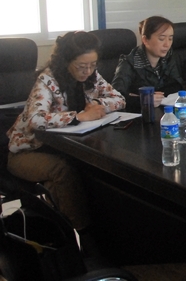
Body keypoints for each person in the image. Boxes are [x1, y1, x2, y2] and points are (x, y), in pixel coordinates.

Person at [6, 31, 125, 233]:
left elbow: (119, 99)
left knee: (90, 171)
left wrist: (97, 103)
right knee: (62, 170)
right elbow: (35, 119)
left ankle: (71, 232)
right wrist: (78, 116)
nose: (88, 71)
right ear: (66, 61)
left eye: (93, 65)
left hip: (63, 147)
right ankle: (82, 232)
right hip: (26, 152)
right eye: (81, 66)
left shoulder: (92, 76)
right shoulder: (47, 79)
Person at [112, 16, 184, 110]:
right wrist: (144, 99)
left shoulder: (169, 56)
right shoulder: (129, 62)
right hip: (138, 113)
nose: (167, 44)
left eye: (170, 39)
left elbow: (178, 85)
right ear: (145, 40)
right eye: (161, 39)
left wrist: (156, 95)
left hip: (163, 109)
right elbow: (116, 96)